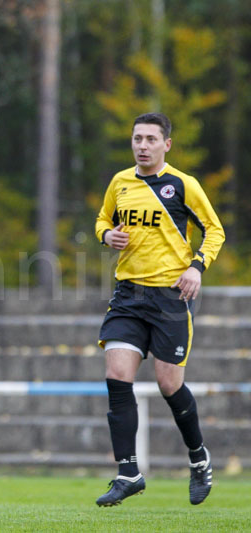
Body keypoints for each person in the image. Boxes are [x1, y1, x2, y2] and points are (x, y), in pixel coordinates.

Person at [94, 112, 225, 506]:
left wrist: (197, 267)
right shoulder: (120, 182)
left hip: (170, 298)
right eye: (137, 138)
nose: (143, 145)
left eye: (151, 139)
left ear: (166, 144)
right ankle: (128, 472)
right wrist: (107, 235)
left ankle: (199, 459)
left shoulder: (183, 185)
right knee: (117, 376)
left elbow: (214, 230)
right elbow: (102, 219)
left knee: (169, 385)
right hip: (128, 297)